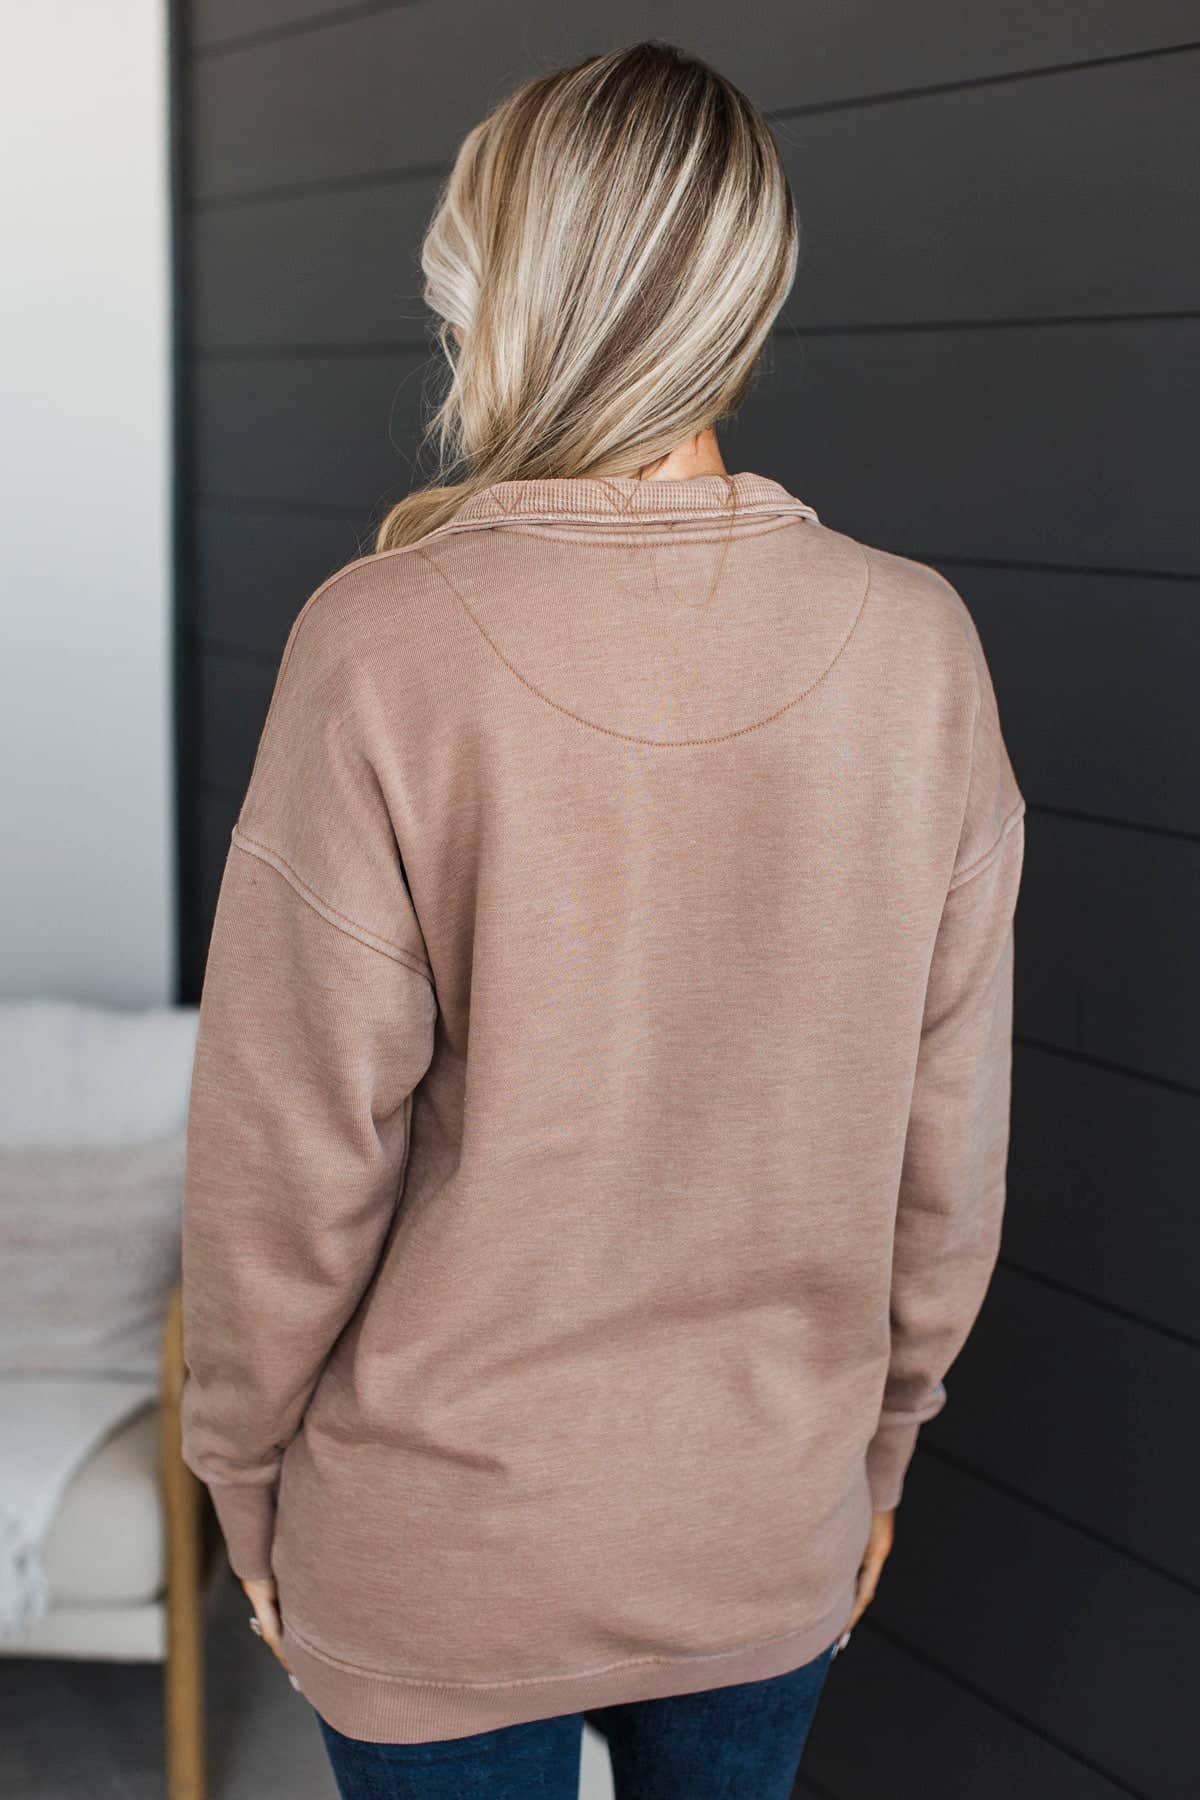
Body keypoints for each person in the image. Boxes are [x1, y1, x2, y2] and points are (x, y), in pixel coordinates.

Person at [179, 38, 1026, 1800]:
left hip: (438, 1540)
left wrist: (239, 1483)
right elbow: (945, 1160)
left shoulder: (380, 642)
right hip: (765, 1523)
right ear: (743, 294)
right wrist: (877, 1456)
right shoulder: (922, 647)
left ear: (496, 287)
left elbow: (287, 1165)